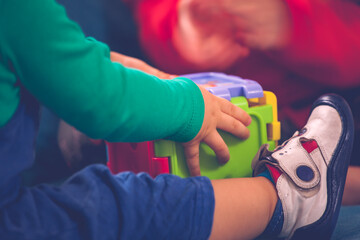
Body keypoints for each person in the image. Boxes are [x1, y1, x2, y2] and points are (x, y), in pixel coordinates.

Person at [0, 1, 355, 239]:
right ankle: (288, 196)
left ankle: (312, 184)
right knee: (120, 204)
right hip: (183, 107)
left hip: (289, 111)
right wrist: (177, 32)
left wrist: (290, 29)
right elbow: (87, 75)